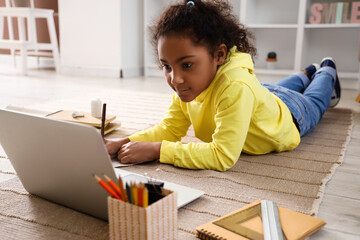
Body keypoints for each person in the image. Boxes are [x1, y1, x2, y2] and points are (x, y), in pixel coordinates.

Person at [106, 0, 341, 171]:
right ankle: (305, 72)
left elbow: (222, 156)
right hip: (263, 95)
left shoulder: (235, 88)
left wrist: (159, 150)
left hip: (291, 115)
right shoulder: (188, 86)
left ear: (219, 55)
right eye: (167, 66)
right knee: (273, 89)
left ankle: (325, 69)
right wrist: (123, 142)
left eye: (186, 65)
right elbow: (169, 129)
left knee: (315, 101)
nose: (175, 79)